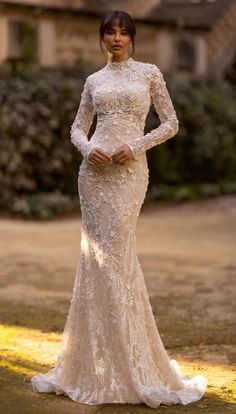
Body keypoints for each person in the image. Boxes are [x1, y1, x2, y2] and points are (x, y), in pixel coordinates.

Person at [31, 10, 208, 408]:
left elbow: (171, 122)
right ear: (102, 38)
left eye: (123, 32)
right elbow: (77, 126)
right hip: (93, 178)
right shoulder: (94, 80)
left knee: (117, 256)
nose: (116, 38)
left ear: (131, 38)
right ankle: (94, 364)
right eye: (109, 32)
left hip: (129, 175)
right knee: (94, 260)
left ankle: (132, 362)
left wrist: (138, 145)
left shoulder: (149, 74)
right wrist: (87, 147)